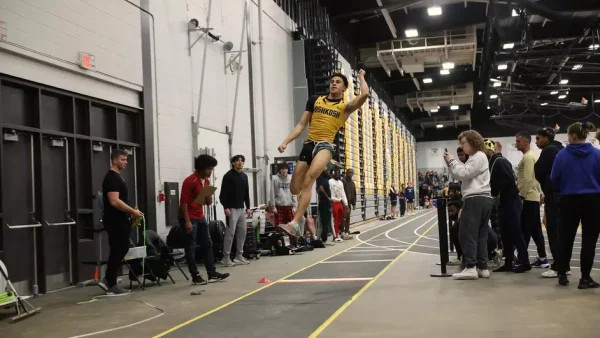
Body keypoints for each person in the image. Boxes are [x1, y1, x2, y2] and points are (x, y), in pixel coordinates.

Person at [277, 70, 370, 237]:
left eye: (338, 82)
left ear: (344, 88)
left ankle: (295, 223)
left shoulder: (345, 107)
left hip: (325, 146)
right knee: (294, 188)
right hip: (308, 144)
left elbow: (365, 94)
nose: (334, 83)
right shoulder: (315, 100)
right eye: (332, 81)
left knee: (309, 179)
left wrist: (361, 77)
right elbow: (301, 125)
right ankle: (300, 218)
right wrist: (286, 142)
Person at [551, 122, 600, 288]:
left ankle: (562, 274)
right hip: (593, 200)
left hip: (569, 200)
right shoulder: (597, 154)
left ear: (572, 136)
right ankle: (585, 277)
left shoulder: (561, 155)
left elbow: (554, 178)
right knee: (589, 240)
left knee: (565, 238)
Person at [443, 130, 493, 280]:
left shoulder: (478, 156)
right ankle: (482, 267)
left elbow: (464, 173)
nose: (462, 146)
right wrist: (452, 164)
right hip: (483, 199)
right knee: (481, 235)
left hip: (475, 199)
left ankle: (471, 266)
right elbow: (461, 174)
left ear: (473, 141)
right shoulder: (479, 157)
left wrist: (452, 161)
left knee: (467, 233)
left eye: (464, 143)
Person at [180, 155, 230, 284]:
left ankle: (212, 273)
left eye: (212, 169)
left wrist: (208, 200)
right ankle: (195, 275)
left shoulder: (206, 181)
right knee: (191, 246)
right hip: (189, 216)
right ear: (201, 168)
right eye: (209, 169)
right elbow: (183, 202)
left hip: (200, 215)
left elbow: (204, 202)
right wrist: (187, 221)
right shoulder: (190, 181)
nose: (210, 172)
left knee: (208, 244)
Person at [100, 149, 144, 294]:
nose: (125, 162)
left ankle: (108, 279)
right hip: (115, 220)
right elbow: (114, 201)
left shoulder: (118, 177)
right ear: (114, 160)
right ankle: (110, 283)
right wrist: (132, 211)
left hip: (121, 219)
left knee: (120, 249)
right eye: (123, 160)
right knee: (118, 249)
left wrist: (131, 213)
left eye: (126, 160)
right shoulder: (112, 178)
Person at [483, 139, 531, 273]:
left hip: (510, 201)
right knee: (505, 234)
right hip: (504, 202)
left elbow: (505, 180)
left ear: (489, 150)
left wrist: (492, 189)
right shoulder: (494, 162)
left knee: (515, 233)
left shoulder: (500, 162)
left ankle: (524, 262)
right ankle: (508, 262)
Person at [534, 127, 566, 278]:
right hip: (563, 194)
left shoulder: (549, 150)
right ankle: (563, 265)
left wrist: (546, 186)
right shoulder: (561, 148)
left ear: (547, 138)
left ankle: (559, 266)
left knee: (554, 231)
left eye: (538, 138)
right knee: (562, 230)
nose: (537, 141)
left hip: (553, 194)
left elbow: (538, 169)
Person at [515, 131, 548, 268]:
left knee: (525, 230)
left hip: (527, 197)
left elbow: (528, 178)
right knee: (535, 230)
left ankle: (522, 259)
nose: (516, 143)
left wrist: (521, 196)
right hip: (532, 196)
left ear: (526, 142)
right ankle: (542, 258)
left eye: (518, 141)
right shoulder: (532, 156)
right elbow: (535, 178)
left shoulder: (528, 157)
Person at [219, 155, 252, 267]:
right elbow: (222, 195)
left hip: (242, 209)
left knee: (242, 232)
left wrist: (248, 207)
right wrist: (226, 207)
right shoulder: (228, 176)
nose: (240, 163)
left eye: (242, 161)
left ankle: (239, 255)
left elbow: (246, 193)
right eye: (237, 161)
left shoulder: (244, 176)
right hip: (231, 209)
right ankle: (226, 257)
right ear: (233, 163)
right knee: (230, 233)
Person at [271, 162, 298, 228]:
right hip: (279, 207)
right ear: (280, 170)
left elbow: (293, 193)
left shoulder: (290, 179)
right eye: (282, 169)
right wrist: (273, 206)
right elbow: (272, 193)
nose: (284, 170)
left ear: (288, 170)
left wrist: (295, 206)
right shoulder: (275, 179)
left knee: (291, 228)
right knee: (279, 228)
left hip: (289, 207)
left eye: (286, 169)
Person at [329, 171, 349, 241]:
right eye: (336, 174)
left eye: (338, 174)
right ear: (333, 174)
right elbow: (328, 191)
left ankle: (338, 234)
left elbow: (343, 193)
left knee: (339, 220)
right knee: (335, 219)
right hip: (333, 202)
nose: (337, 175)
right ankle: (335, 235)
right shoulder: (330, 181)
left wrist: (346, 203)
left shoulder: (341, 183)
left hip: (339, 202)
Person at [316, 169, 334, 244]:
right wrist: (327, 198)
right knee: (324, 221)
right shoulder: (320, 179)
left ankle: (323, 238)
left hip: (328, 203)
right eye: (326, 170)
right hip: (324, 203)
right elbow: (320, 189)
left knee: (327, 221)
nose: (328, 172)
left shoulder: (327, 179)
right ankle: (323, 239)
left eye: (329, 171)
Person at [341, 169, 356, 239]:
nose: (350, 174)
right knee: (343, 217)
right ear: (347, 173)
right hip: (343, 202)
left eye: (351, 173)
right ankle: (342, 232)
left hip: (349, 203)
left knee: (348, 217)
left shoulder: (353, 183)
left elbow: (354, 194)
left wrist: (354, 203)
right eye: (349, 173)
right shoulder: (343, 181)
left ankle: (347, 231)